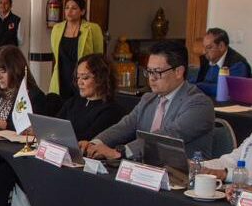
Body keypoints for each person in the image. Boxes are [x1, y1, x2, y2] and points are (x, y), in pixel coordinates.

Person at [5, 53, 123, 206]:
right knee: (24, 177)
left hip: (83, 170)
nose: (80, 82)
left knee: (47, 186)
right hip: (60, 160)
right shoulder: (74, 102)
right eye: (78, 77)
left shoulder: (112, 110)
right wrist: (38, 130)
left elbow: (89, 143)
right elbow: (55, 127)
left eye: (86, 77)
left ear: (101, 78)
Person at [84, 40, 215, 160]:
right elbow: (124, 127)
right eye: (149, 71)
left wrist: (120, 152)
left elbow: (169, 136)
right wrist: (94, 144)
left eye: (157, 72)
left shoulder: (199, 104)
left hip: (182, 174)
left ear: (178, 72)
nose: (151, 78)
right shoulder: (148, 99)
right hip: (146, 171)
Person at [47, 0, 104, 99]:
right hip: (61, 77)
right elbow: (55, 53)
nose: (69, 11)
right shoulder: (57, 28)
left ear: (82, 11)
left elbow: (99, 57)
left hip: (83, 77)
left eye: (74, 8)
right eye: (67, 8)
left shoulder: (92, 28)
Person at [0, 45, 41, 130]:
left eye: (2, 71)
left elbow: (29, 129)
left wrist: (3, 125)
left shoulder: (32, 96)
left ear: (16, 70)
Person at [192, 28, 252, 97]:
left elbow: (229, 90)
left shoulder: (238, 64)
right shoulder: (206, 59)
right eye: (204, 47)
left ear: (221, 46)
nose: (204, 52)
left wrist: (199, 86)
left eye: (208, 47)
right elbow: (198, 81)